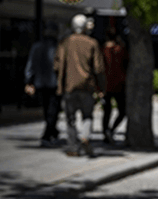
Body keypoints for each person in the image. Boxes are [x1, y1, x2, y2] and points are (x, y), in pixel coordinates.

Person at [55, 14, 106, 157]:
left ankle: (72, 148)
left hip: (69, 86)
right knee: (87, 116)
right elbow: (99, 68)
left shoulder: (65, 42)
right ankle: (85, 136)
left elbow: (57, 65)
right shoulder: (92, 43)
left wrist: (60, 83)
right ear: (85, 27)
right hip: (87, 86)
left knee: (70, 118)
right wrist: (101, 87)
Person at [24, 21, 62, 147]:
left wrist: (29, 81)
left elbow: (30, 66)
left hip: (40, 82)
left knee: (47, 109)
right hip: (54, 83)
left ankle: (53, 132)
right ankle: (47, 134)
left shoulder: (37, 46)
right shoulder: (57, 47)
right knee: (53, 109)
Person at [101, 27, 128, 143]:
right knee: (122, 110)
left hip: (106, 84)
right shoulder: (120, 49)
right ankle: (111, 130)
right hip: (119, 84)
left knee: (107, 111)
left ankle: (105, 132)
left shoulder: (103, 50)